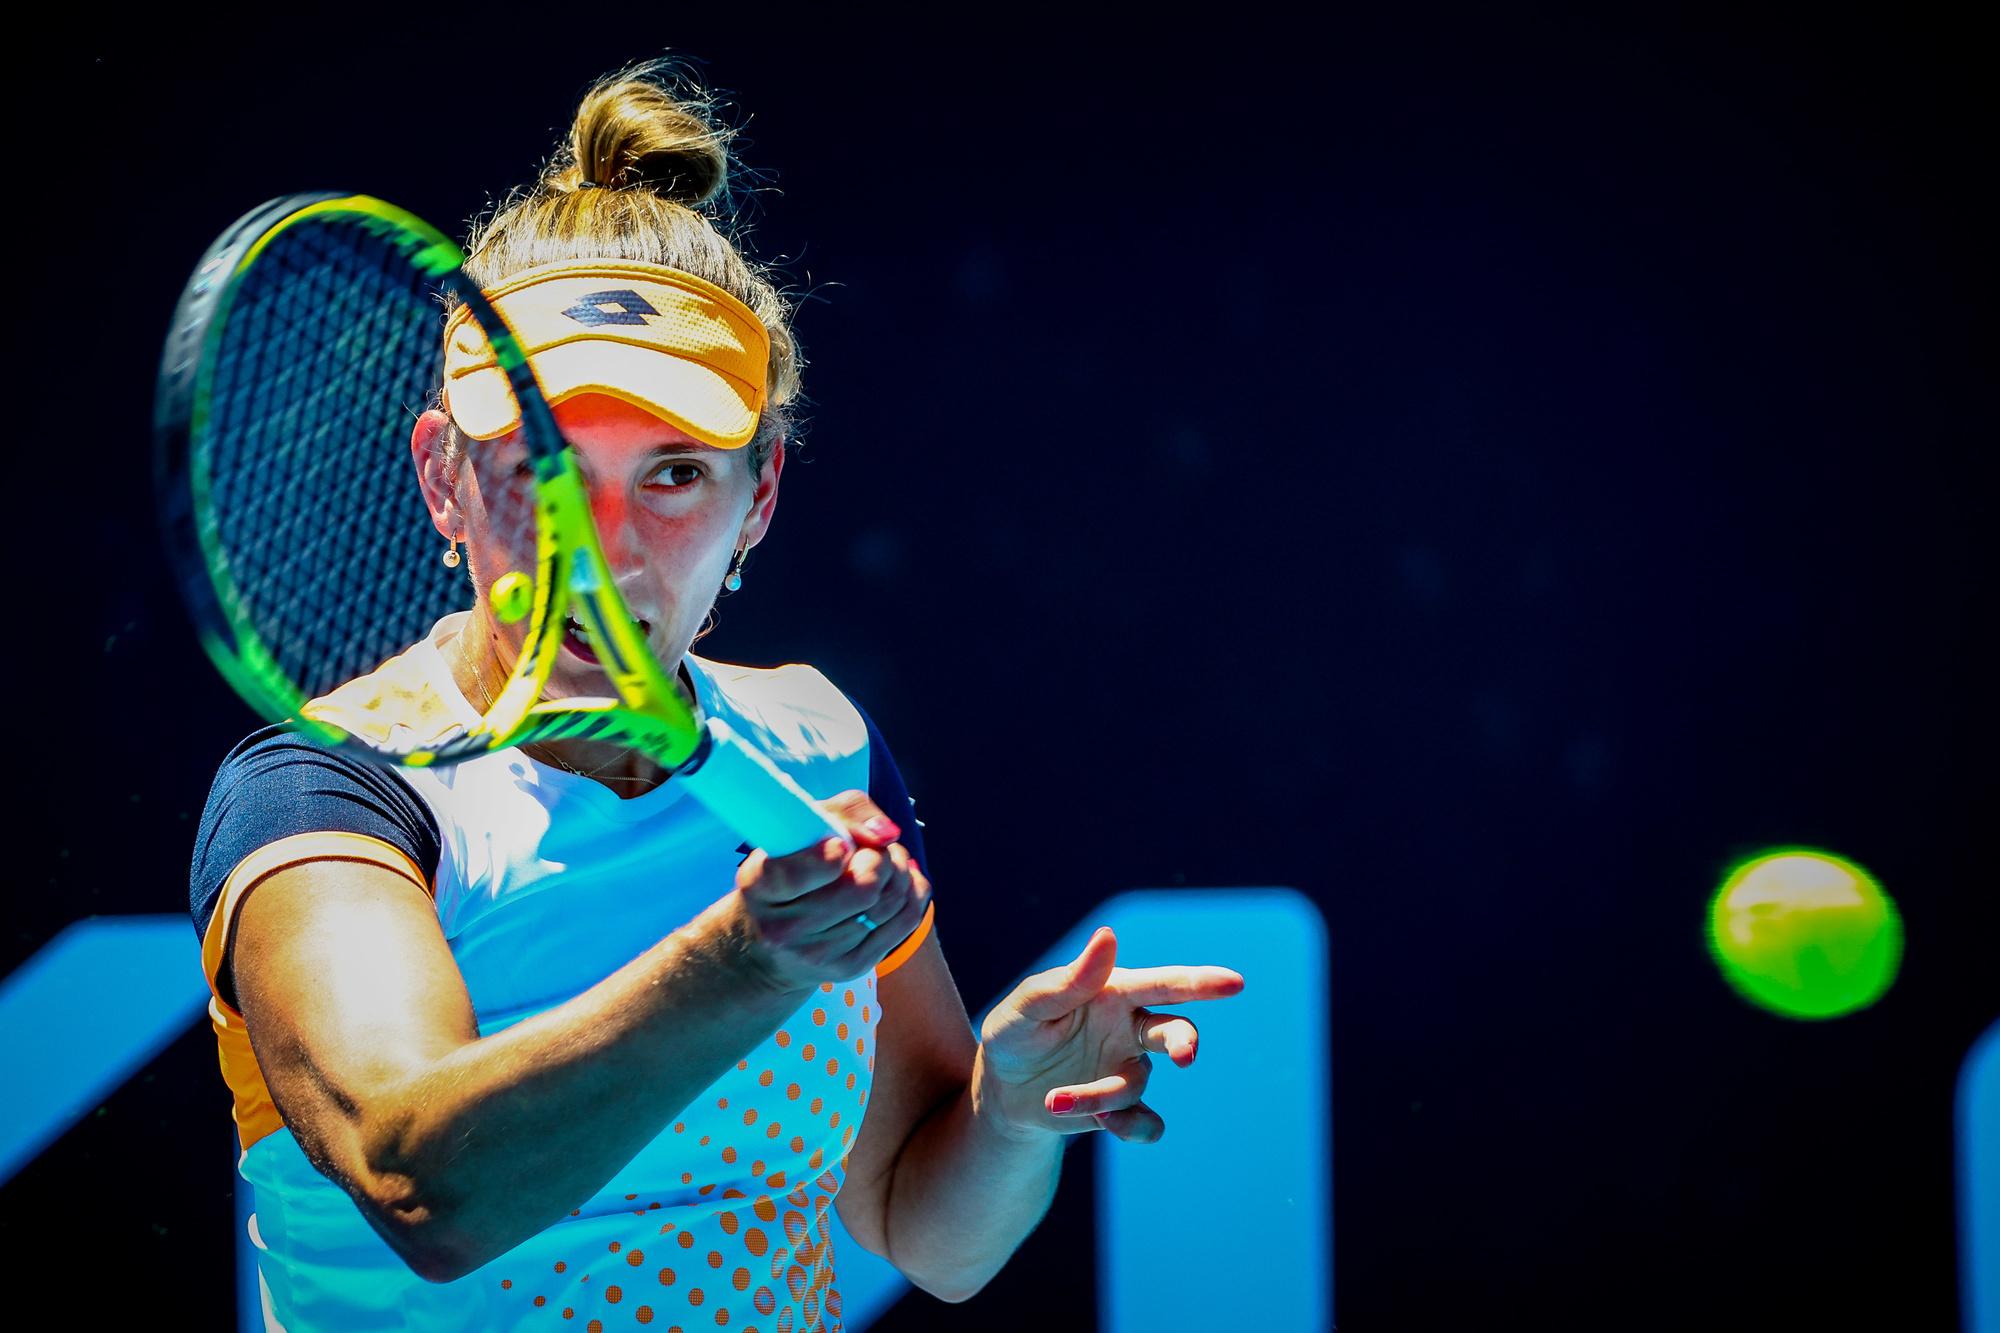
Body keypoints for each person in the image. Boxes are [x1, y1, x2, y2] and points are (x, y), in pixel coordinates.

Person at [188, 59, 1244, 1332]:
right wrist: (748, 959)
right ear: (443, 480)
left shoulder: (817, 743)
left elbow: (925, 1226)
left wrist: (1007, 1116)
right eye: (541, 466)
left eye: (676, 473)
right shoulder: (324, 792)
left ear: (764, 498)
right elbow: (428, 1190)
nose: (605, 543)